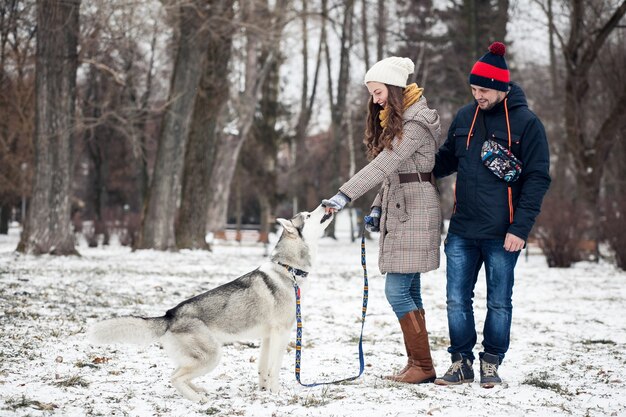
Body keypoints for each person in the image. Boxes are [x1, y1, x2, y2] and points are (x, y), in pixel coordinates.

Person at [432, 42, 551, 388]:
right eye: (473, 89)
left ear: (501, 87)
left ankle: (491, 362)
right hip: (462, 229)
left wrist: (521, 227)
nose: (477, 95)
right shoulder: (465, 116)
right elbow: (447, 160)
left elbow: (538, 178)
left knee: (499, 302)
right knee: (456, 298)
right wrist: (415, 163)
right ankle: (461, 361)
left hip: (503, 232)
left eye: (483, 89)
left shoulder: (528, 124)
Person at [322, 56, 443, 384]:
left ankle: (423, 365)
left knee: (397, 290)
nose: (374, 100)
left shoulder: (416, 122)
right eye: (372, 94)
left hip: (415, 210)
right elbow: (395, 175)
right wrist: (377, 207)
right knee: (410, 289)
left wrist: (344, 195)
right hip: (404, 206)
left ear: (394, 88)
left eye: (378, 92)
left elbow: (384, 166)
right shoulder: (404, 120)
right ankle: (419, 363)